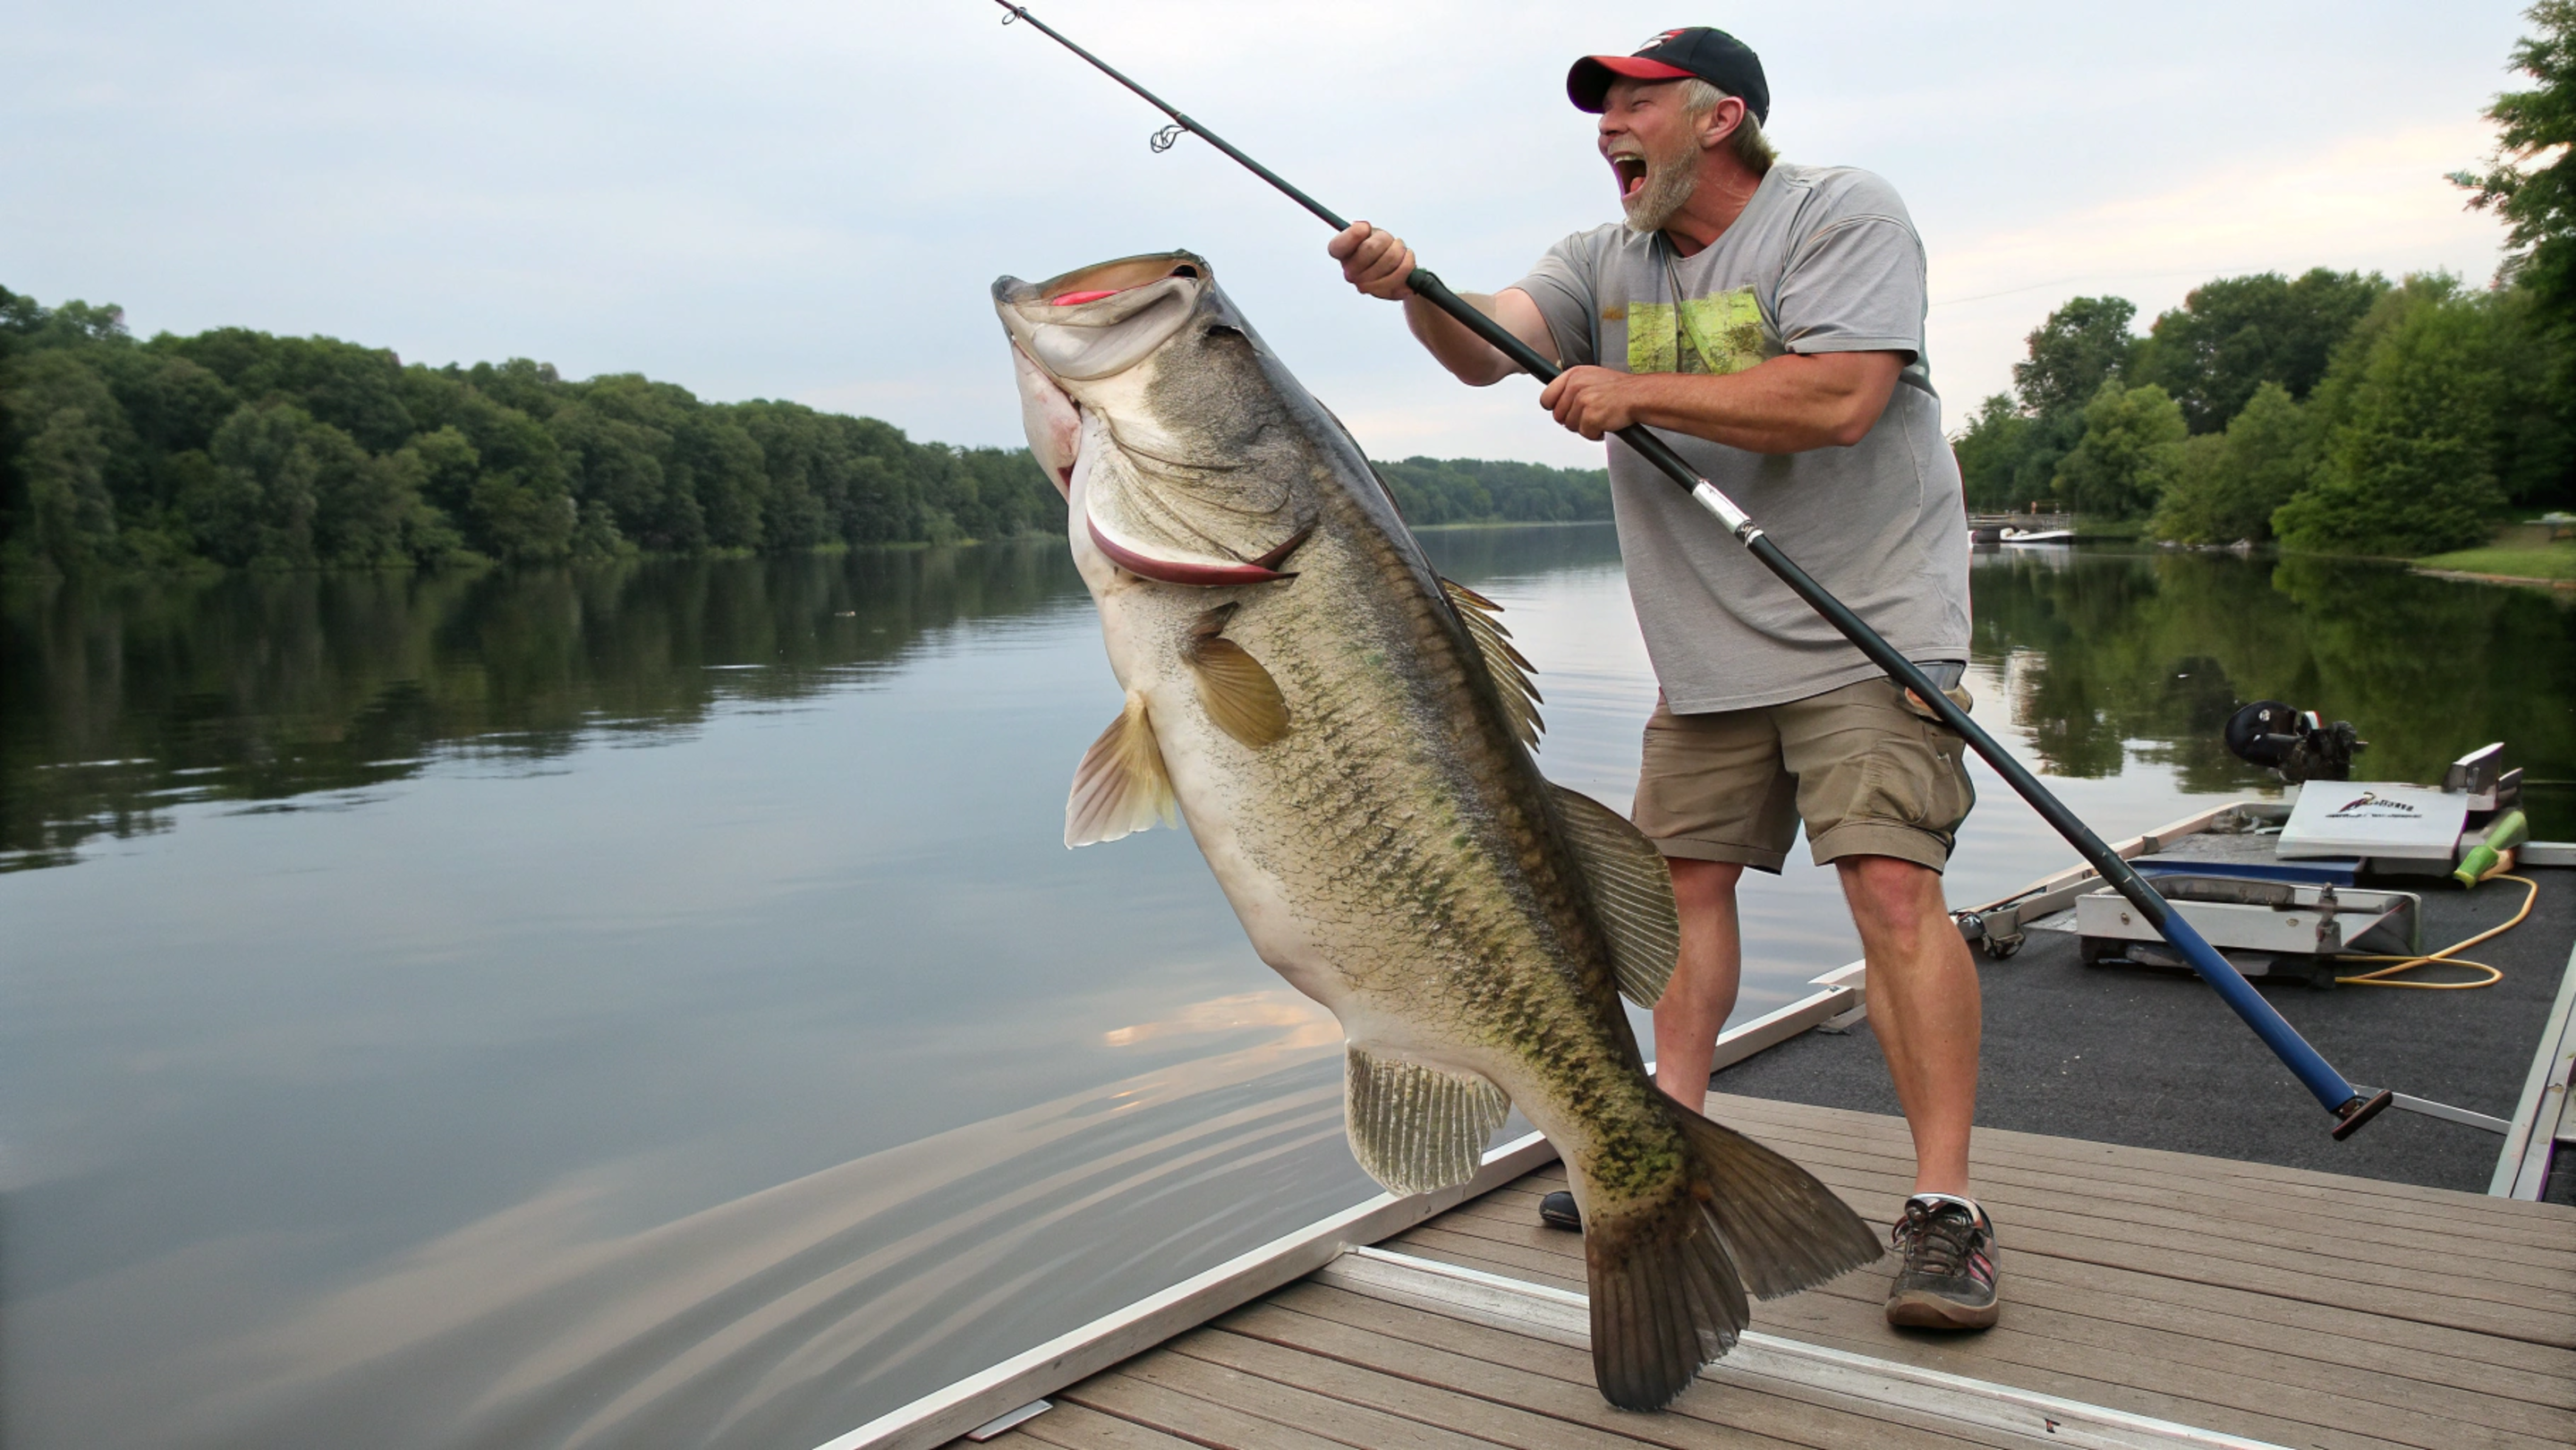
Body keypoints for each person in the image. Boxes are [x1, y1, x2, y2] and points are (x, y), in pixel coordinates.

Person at [1327, 27, 1997, 1330]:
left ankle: (1943, 1211)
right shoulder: (1598, 259)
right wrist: (1413, 286)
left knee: (1889, 891)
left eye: (1635, 104)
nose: (1606, 129)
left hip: (1868, 629)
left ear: (1719, 117)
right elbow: (1484, 344)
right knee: (1677, 887)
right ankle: (1660, 1139)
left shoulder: (1838, 212)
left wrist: (1635, 392)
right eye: (1598, 111)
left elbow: (1843, 397)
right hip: (1703, 653)